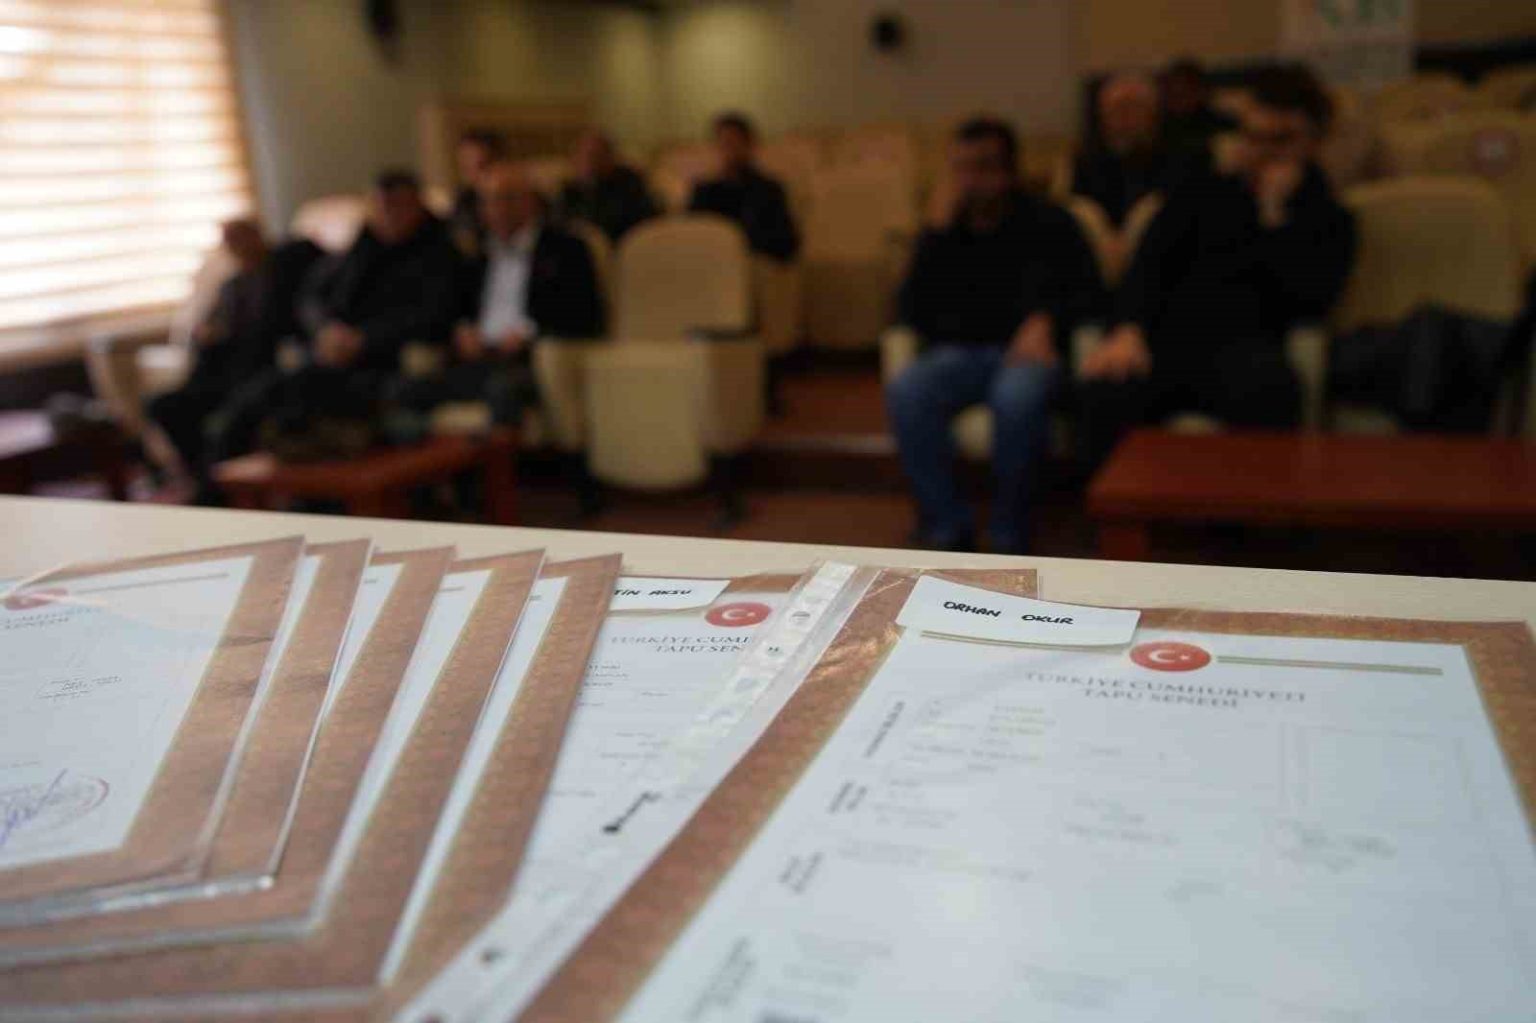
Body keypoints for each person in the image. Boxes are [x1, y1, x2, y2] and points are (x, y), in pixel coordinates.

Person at [1077, 64, 1357, 470]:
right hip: (1168, 342)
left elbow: (1306, 300)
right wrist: (1129, 328)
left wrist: (1274, 215)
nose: (1262, 152)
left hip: (1248, 348)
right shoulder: (1203, 188)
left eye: (1280, 140)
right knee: (1106, 388)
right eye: (1253, 137)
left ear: (1313, 142)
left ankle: (1245, 511)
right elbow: (1148, 264)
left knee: (1269, 392)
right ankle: (1115, 512)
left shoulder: (1327, 215)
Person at [886, 118, 1102, 554]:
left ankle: (1009, 533)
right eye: (961, 168)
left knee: (1016, 396)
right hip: (960, 355)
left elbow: (1092, 294)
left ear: (1008, 171)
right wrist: (934, 235)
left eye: (983, 167)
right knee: (908, 388)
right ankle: (947, 526)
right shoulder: (945, 230)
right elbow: (908, 310)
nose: (971, 180)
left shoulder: (1051, 221)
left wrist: (1048, 319)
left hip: (1027, 356)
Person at [205, 170, 462, 468]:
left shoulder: (440, 253)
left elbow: (433, 316)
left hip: (386, 363)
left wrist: (364, 340)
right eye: (381, 206)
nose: (389, 215)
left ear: (418, 206)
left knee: (281, 399)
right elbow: (312, 295)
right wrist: (325, 330)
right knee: (258, 400)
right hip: (334, 354)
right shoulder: (362, 247)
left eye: (398, 206)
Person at [396, 160, 603, 428]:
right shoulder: (476, 254)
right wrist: (463, 330)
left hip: (529, 362)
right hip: (479, 360)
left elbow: (586, 314)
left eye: (507, 198)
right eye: (488, 201)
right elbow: (452, 310)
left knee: (503, 389)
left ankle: (503, 456)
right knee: (403, 390)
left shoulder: (567, 248)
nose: (497, 209)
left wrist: (528, 334)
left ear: (530, 201)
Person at [146, 218, 321, 490]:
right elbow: (210, 330)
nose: (238, 246)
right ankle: (201, 476)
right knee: (162, 404)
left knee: (234, 416)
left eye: (242, 237)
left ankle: (213, 488)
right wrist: (207, 336)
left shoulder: (287, 264)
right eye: (230, 241)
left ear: (258, 235)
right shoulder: (230, 286)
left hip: (266, 370)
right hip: (224, 372)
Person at [1072, 73, 1180, 228]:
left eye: (1134, 107)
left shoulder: (1176, 161)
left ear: (1153, 114)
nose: (1125, 117)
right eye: (1117, 108)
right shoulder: (1086, 162)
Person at [688, 112, 800, 261]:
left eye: (735, 143)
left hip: (753, 262)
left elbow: (787, 243)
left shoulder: (768, 189)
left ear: (748, 145)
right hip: (711, 262)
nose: (729, 151)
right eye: (724, 144)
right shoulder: (703, 191)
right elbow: (690, 236)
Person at [555, 130, 658, 242]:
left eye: (595, 156)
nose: (588, 162)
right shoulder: (569, 191)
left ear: (610, 158)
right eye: (581, 156)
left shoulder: (629, 186)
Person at [1160, 57, 1236, 158]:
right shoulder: (1159, 125)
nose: (1179, 101)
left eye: (1184, 93)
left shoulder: (1220, 123)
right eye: (1172, 94)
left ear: (1201, 91)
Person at [450, 129, 507, 254]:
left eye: (481, 166)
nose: (472, 175)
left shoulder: (521, 197)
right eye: (466, 167)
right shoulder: (465, 201)